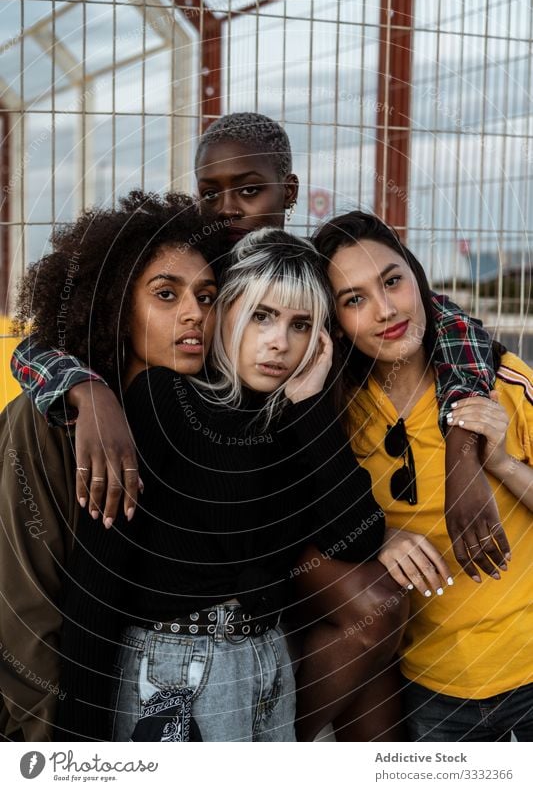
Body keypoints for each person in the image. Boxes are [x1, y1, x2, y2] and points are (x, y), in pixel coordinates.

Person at [9, 113, 504, 741]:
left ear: (288, 191)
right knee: (365, 607)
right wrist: (88, 389)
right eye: (211, 192)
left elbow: (447, 327)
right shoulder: (186, 278)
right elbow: (43, 341)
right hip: (217, 557)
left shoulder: (324, 273)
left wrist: (463, 452)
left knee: (375, 639)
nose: (229, 209)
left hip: (268, 541)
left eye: (250, 190)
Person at [51, 225, 386, 741]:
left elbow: (362, 536)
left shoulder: (297, 421)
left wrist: (312, 404)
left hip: (267, 669)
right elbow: (98, 579)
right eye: (262, 316)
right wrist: (80, 748)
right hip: (170, 674)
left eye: (301, 325)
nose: (279, 342)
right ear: (226, 313)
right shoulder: (163, 399)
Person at [0, 190, 223, 739]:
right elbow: (25, 605)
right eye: (166, 295)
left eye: (208, 296)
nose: (195, 312)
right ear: (116, 306)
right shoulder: (47, 422)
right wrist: (52, 753)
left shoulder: (205, 410)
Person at [313, 210, 533, 741]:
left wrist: (501, 462)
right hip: (432, 688)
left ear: (416, 276)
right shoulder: (340, 413)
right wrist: (378, 536)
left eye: (392, 281)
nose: (386, 310)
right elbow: (308, 521)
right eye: (354, 299)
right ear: (335, 320)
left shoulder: (504, 382)